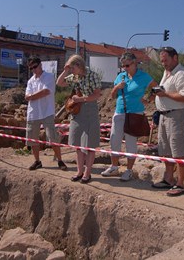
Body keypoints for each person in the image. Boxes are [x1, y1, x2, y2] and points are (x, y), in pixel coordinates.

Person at [101, 52, 157, 181]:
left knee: (131, 142)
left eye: (127, 65)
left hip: (135, 113)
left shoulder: (143, 76)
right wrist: (116, 87)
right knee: (114, 139)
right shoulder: (121, 76)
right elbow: (112, 96)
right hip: (119, 111)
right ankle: (114, 167)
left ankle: (129, 170)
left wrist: (149, 99)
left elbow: (157, 87)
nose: (125, 68)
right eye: (123, 66)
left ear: (134, 63)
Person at [151, 47, 184, 196]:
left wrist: (165, 94)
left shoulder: (182, 74)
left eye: (166, 60)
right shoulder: (166, 73)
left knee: (178, 150)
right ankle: (169, 179)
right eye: (161, 61)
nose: (163, 64)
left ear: (175, 58)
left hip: (176, 116)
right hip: (163, 115)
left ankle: (181, 184)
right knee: (166, 150)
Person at [56, 54, 102, 184]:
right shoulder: (75, 76)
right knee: (77, 143)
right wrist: (65, 71)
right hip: (77, 111)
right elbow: (59, 83)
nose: (71, 71)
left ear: (79, 65)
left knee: (89, 145)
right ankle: (79, 172)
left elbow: (97, 94)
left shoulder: (93, 75)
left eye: (72, 68)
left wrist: (81, 99)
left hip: (90, 110)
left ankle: (87, 174)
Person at [25, 57, 67, 171]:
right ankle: (37, 161)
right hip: (34, 113)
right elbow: (27, 96)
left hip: (47, 111)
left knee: (52, 137)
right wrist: (34, 96)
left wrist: (32, 96)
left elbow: (46, 91)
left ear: (40, 65)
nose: (33, 70)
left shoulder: (49, 77)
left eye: (35, 67)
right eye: (31, 68)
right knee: (32, 139)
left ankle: (60, 160)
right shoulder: (30, 81)